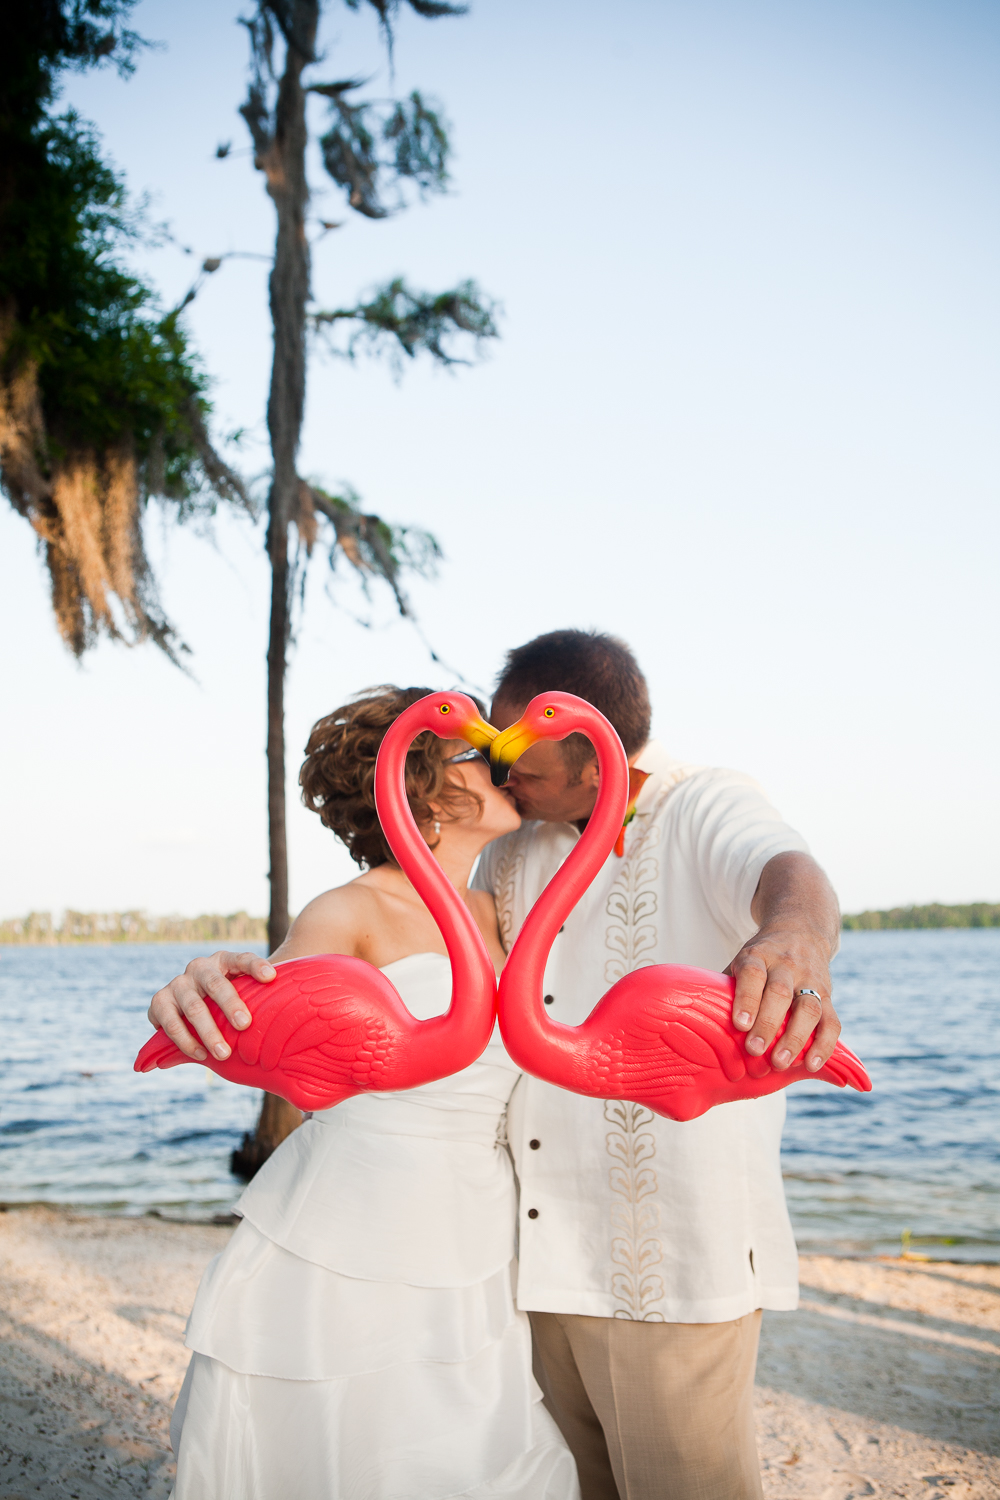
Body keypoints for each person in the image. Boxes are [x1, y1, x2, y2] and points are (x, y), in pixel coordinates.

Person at [149, 686, 580, 1500]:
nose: (502, 761)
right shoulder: (348, 912)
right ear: (421, 787)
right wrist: (202, 986)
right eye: (475, 753)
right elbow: (259, 1016)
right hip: (353, 1237)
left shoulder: (506, 910)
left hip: (480, 1229)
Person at [470, 629, 843, 1500]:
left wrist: (793, 935)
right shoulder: (510, 849)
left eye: (515, 752)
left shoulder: (704, 805)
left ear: (593, 748)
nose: (498, 773)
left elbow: (789, 870)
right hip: (530, 1262)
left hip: (667, 1271)